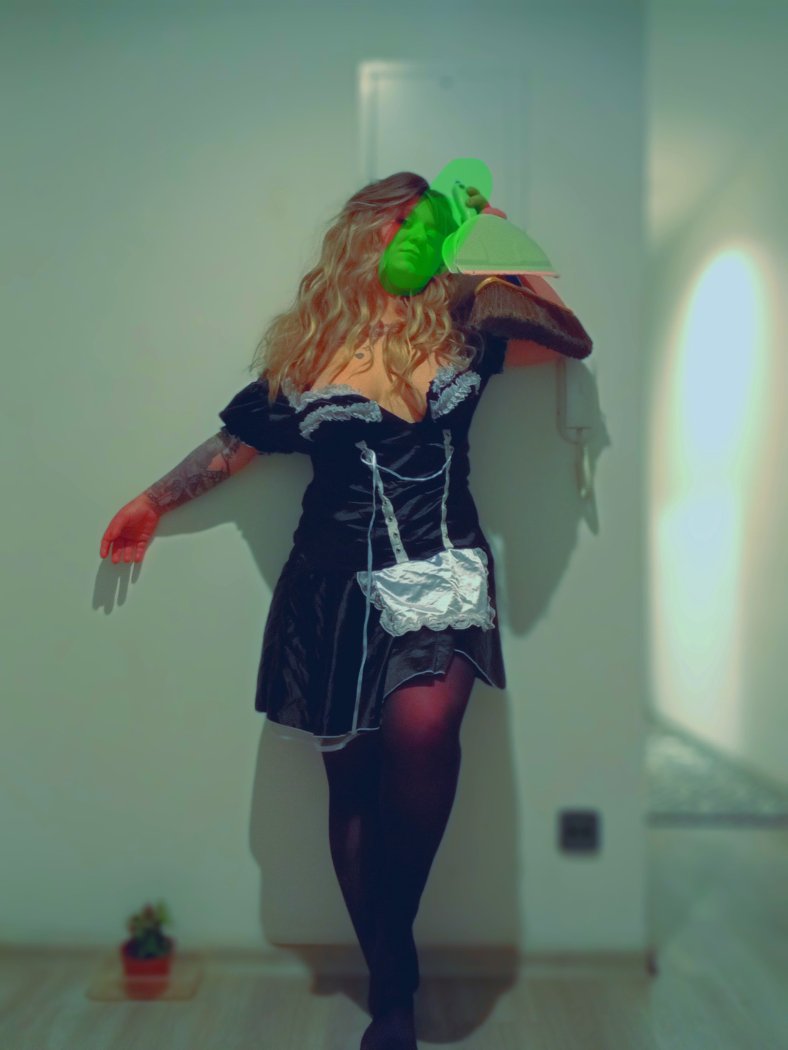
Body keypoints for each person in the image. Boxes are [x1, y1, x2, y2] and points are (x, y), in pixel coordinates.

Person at [99, 172, 572, 1050]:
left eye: (425, 223)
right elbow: (234, 445)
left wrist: (500, 251)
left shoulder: (465, 325)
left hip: (442, 570)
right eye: (401, 221)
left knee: (425, 732)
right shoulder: (309, 352)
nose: (413, 236)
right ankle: (393, 985)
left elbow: (567, 342)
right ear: (364, 231)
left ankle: (394, 950)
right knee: (351, 784)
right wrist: (150, 503)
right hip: (332, 579)